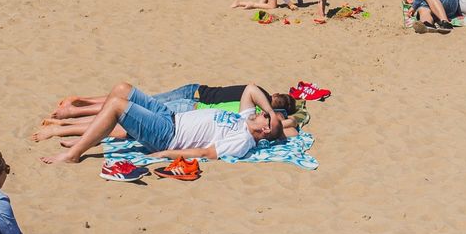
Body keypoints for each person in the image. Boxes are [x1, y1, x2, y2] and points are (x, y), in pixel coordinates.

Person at [39, 82, 283, 165]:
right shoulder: (243, 119)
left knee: (117, 105)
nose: (262, 113)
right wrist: (271, 110)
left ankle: (74, 153)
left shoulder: (242, 140)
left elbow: (205, 152)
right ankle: (89, 137)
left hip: (168, 135)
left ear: (263, 130)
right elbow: (251, 88)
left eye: (265, 117)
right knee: (123, 88)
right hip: (170, 117)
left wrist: (167, 153)